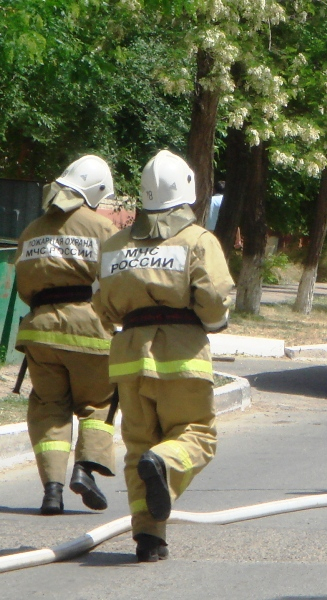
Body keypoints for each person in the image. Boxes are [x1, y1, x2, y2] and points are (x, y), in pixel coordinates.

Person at [96, 150, 235, 562]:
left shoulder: (115, 245)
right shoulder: (197, 240)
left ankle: (149, 539)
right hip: (182, 354)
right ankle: (165, 462)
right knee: (197, 435)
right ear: (187, 189)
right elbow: (213, 299)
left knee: (138, 446)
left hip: (128, 358)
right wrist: (213, 320)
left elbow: (102, 307)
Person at [14, 155, 119, 515]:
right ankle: (86, 470)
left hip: (40, 332)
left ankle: (52, 491)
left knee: (49, 408)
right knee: (99, 403)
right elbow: (116, 281)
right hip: (90, 329)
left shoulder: (31, 230)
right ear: (96, 192)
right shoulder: (102, 228)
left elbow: (25, 287)